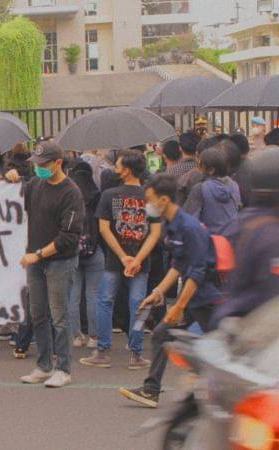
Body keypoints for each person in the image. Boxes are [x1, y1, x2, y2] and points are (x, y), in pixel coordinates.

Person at [119, 174, 221, 408]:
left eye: (149, 199)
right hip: (194, 297)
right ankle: (151, 390)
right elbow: (178, 265)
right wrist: (158, 292)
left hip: (208, 298)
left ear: (164, 200)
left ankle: (227, 395)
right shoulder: (172, 225)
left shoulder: (190, 227)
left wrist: (178, 307)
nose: (147, 205)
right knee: (162, 334)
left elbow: (197, 272)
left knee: (221, 349)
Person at [6, 142, 84, 388]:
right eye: (36, 164)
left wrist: (38, 255)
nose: (38, 168)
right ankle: (43, 366)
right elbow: (16, 192)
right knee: (38, 314)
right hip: (35, 260)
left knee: (59, 317)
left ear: (58, 163)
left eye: (43, 164)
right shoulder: (36, 185)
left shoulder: (71, 193)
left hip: (59, 261)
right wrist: (10, 178)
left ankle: (63, 368)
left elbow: (68, 236)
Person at [79, 150, 161, 370]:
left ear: (126, 171)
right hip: (141, 261)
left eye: (118, 165)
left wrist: (123, 257)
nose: (115, 168)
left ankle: (103, 351)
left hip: (115, 260)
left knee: (105, 302)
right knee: (139, 304)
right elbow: (155, 233)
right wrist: (137, 259)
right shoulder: (150, 196)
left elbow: (104, 229)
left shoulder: (109, 195)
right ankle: (136, 353)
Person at [213, 147, 279, 323]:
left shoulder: (246, 220)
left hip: (231, 317)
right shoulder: (271, 235)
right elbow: (272, 294)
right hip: (255, 327)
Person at [66, 159, 103, 350]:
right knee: (93, 294)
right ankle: (94, 337)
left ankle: (76, 335)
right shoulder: (97, 195)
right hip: (93, 249)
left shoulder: (68, 195)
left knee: (74, 294)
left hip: (72, 250)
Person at [183, 146, 241, 238]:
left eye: (200, 165)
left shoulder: (200, 188)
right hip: (233, 240)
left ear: (211, 170)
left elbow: (190, 221)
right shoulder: (234, 185)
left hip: (210, 242)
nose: (198, 168)